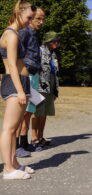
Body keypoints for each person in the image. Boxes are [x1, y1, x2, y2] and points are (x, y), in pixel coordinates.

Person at [0, 0, 36, 179]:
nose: (30, 22)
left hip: (20, 81)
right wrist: (21, 90)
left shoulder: (15, 34)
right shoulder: (11, 34)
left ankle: (14, 163)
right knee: (8, 128)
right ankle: (7, 169)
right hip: (15, 83)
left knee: (14, 129)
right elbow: (13, 65)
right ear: (19, 13)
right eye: (29, 17)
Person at [16, 7, 46, 157]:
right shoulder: (24, 32)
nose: (41, 22)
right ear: (30, 17)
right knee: (22, 113)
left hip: (33, 75)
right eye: (38, 18)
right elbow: (16, 54)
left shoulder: (34, 33)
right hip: (26, 75)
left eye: (43, 19)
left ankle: (24, 142)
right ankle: (16, 146)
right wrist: (24, 71)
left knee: (29, 111)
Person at [33, 31, 60, 146]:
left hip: (50, 86)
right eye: (56, 41)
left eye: (58, 41)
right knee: (37, 112)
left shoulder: (53, 54)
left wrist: (55, 90)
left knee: (45, 113)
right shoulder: (39, 51)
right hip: (39, 86)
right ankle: (34, 138)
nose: (58, 43)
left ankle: (41, 137)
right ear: (49, 41)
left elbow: (54, 72)